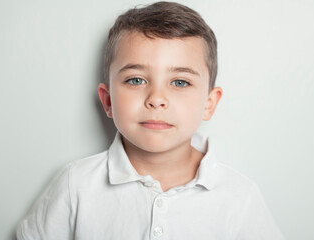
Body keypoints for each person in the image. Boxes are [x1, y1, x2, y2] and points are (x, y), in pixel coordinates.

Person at [16, 2, 284, 239]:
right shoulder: (76, 185)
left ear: (209, 103)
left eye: (180, 82)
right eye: (136, 80)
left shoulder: (239, 197)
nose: (156, 98)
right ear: (108, 101)